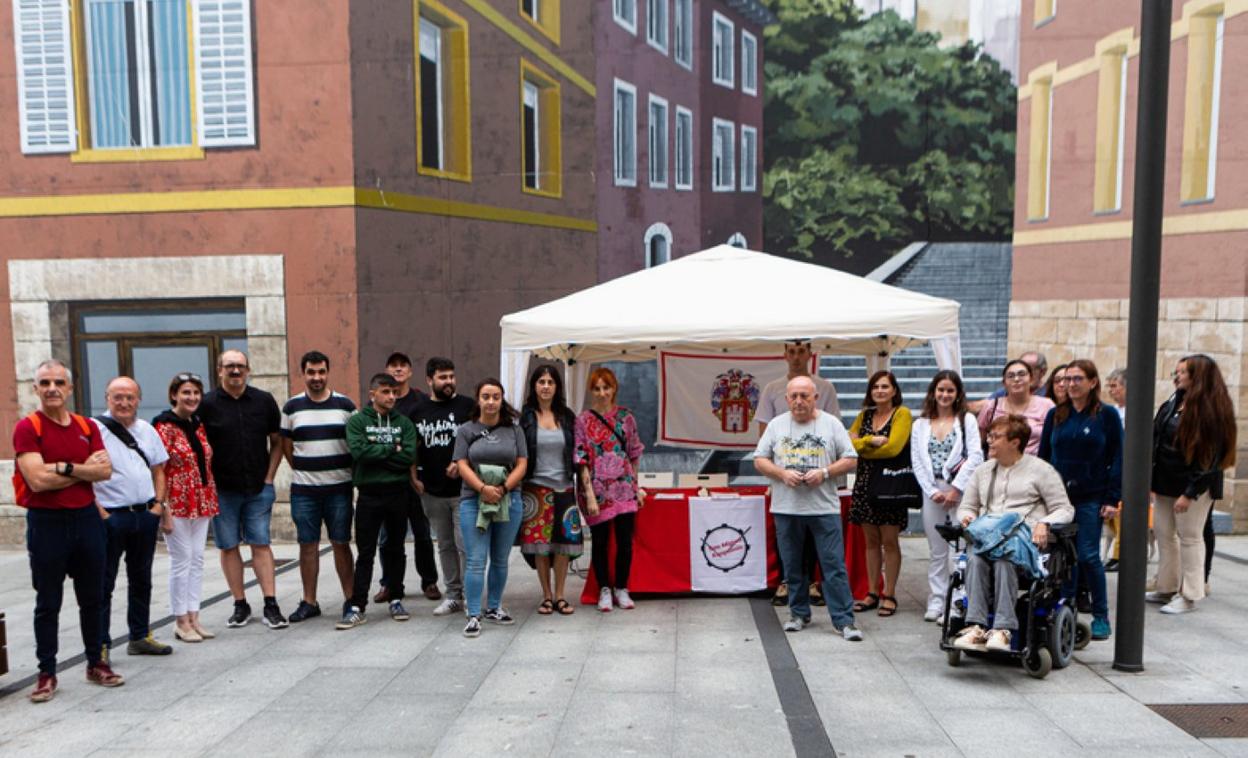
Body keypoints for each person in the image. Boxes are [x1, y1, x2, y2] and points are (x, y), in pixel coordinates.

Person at [16, 360, 121, 702]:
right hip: (47, 523)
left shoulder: (86, 426)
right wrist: (82, 470)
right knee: (48, 601)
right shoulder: (28, 427)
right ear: (35, 389)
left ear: (70, 388)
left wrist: (62, 467)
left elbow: (105, 472)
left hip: (86, 520)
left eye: (58, 382)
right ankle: (47, 673)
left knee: (93, 598)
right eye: (44, 382)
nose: (52, 388)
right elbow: (36, 479)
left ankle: (96, 663)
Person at [753, 376, 863, 641]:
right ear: (786, 399)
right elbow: (759, 459)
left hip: (823, 507)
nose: (799, 401)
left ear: (815, 397)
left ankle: (844, 620)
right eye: (794, 396)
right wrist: (781, 474)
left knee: (833, 565)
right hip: (786, 507)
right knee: (792, 566)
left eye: (805, 396)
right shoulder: (777, 425)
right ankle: (798, 613)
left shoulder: (831, 423)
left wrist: (824, 472)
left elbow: (850, 458)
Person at [951, 415, 1074, 652]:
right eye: (989, 436)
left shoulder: (1041, 470)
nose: (989, 441)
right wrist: (967, 518)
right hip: (987, 542)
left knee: (1005, 560)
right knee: (975, 558)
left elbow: (1065, 509)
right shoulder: (983, 471)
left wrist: (1045, 523)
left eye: (995, 437)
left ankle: (1003, 630)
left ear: (1015, 442)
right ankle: (975, 626)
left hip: (1022, 545)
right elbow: (967, 506)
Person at [198, 349, 287, 629]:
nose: (236, 371)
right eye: (230, 366)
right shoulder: (206, 404)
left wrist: (270, 478)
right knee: (228, 546)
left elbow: (278, 442)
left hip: (258, 488)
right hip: (223, 490)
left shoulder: (263, 401)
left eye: (240, 366)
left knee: (261, 543)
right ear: (219, 370)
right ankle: (240, 604)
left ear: (248, 370)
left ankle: (270, 604)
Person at [1038, 359, 1122, 641]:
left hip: (1090, 497)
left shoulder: (1106, 415)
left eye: (1077, 379)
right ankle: (1067, 610)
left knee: (1087, 555)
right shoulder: (1056, 415)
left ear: (1092, 382)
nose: (1070, 384)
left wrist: (1112, 497)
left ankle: (1100, 615)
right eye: (1066, 379)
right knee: (1062, 557)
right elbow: (1044, 458)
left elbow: (1118, 457)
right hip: (1059, 498)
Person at [1147, 354, 1236, 615]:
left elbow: (1209, 459)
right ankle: (1167, 585)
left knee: (1190, 538)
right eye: (1176, 372)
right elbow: (1156, 438)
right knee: (1164, 534)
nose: (1177, 376)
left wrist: (1189, 493)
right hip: (1165, 482)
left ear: (1198, 376)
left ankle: (1190, 594)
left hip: (1193, 486)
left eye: (1183, 372)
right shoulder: (1174, 402)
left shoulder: (1210, 409)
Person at [93, 377, 172, 658]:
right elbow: (84, 477)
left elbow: (159, 470)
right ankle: (100, 644)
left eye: (130, 397)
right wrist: (101, 514)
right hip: (111, 517)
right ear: (107, 398)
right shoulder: (95, 430)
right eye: (118, 397)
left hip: (144, 515)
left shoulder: (147, 430)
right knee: (104, 582)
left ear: (138, 399)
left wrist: (158, 506)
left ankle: (139, 636)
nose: (124, 403)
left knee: (142, 579)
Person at [756, 339, 839, 607]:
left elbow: (835, 431)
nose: (796, 356)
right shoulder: (772, 389)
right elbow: (763, 439)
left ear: (810, 354)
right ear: (784, 355)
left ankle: (814, 582)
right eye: (791, 351)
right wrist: (775, 474)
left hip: (817, 473)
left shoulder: (824, 388)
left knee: (817, 530)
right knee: (787, 533)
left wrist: (825, 471)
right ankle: (786, 582)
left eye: (801, 351)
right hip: (783, 474)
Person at [281, 351, 357, 623]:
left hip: (339, 487)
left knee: (341, 543)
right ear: (304, 373)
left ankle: (351, 600)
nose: (316, 377)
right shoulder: (291, 408)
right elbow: (287, 447)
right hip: (305, 490)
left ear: (328, 372)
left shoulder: (346, 406)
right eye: (311, 372)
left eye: (321, 371)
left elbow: (355, 444)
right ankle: (309, 601)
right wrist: (307, 468)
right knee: (307, 546)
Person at [340, 373, 419, 628]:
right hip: (369, 495)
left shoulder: (404, 423)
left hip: (397, 492)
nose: (391, 397)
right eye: (386, 392)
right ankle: (357, 605)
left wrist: (379, 449)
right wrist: (391, 449)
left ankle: (396, 597)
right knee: (365, 552)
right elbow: (360, 452)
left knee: (396, 548)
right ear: (372, 394)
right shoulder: (358, 421)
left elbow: (407, 457)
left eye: (394, 392)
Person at [454, 378, 528, 637]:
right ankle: (473, 614)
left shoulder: (514, 429)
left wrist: (504, 488)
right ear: (478, 399)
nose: (491, 402)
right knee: (476, 560)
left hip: (509, 499)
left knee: (500, 558)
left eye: (496, 397)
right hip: (473, 500)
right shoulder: (466, 430)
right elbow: (461, 464)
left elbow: (522, 463)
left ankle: (494, 607)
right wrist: (483, 489)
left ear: (502, 399)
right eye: (486, 396)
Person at [910, 371, 983, 622]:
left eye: (950, 390)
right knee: (937, 550)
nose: (945, 395)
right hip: (932, 491)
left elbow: (976, 456)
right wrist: (932, 491)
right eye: (941, 389)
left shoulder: (966, 420)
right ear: (933, 392)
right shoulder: (920, 425)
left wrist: (956, 489)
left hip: (959, 492)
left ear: (957, 394)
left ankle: (957, 602)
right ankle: (937, 599)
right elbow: (917, 461)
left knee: (959, 549)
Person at [154, 373, 219, 643]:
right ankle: (180, 620)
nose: (191, 398)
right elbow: (158, 467)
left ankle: (194, 616)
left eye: (195, 393)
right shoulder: (163, 426)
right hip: (177, 500)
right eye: (185, 393)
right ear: (173, 395)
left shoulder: (197, 423)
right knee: (181, 561)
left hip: (201, 497)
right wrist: (163, 506)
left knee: (198, 559)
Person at [409, 356, 476, 616]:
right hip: (432, 492)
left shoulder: (468, 407)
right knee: (445, 545)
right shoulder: (418, 411)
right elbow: (412, 448)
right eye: (442, 377)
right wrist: (413, 477)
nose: (448, 382)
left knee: (465, 544)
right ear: (429, 380)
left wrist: (464, 463)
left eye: (451, 376)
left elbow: (480, 441)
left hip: (464, 491)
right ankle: (453, 595)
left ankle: (471, 595)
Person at [575, 367, 646, 613]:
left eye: (607, 387)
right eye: (597, 388)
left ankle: (621, 587)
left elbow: (634, 452)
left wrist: (636, 486)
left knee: (626, 541)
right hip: (596, 490)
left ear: (614, 388)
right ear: (591, 391)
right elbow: (580, 459)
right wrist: (590, 495)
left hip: (624, 487)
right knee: (600, 541)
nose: (602, 393)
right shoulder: (583, 420)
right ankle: (604, 588)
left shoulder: (626, 417)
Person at [375, 351, 440, 605]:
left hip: (417, 478)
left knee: (422, 532)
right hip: (387, 479)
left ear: (410, 372)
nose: (398, 370)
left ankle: (429, 580)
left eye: (403, 366)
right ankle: (389, 584)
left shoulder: (421, 401)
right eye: (393, 366)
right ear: (386, 370)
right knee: (387, 537)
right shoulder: (379, 403)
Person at [848, 370, 914, 618]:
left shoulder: (902, 414)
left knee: (890, 542)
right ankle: (872, 592)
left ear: (894, 390)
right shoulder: (864, 415)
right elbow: (847, 443)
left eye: (885, 386)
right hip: (865, 484)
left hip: (890, 486)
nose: (880, 391)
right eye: (876, 387)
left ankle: (890, 593)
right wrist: (870, 442)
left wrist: (862, 444)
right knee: (871, 542)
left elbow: (893, 448)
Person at [519, 365, 583, 616]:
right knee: (540, 546)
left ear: (557, 387)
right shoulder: (525, 417)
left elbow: (578, 451)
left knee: (563, 544)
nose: (545, 386)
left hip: (565, 487)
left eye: (550, 382)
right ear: (534, 386)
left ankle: (560, 595)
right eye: (541, 381)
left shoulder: (567, 416)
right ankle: (546, 596)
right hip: (535, 488)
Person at [977, 359, 1055, 456]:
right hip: (998, 464)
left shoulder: (1046, 405)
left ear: (1031, 379)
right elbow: (979, 442)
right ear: (1004, 383)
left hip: (1034, 466)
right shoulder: (991, 406)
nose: (1016, 379)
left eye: (1022, 374)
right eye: (1010, 376)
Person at [1103, 367, 1128, 572]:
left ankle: (1121, 555)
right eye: (1109, 386)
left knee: (1122, 518)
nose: (1111, 391)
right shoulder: (1112, 412)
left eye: (1115, 386)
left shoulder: (1135, 413)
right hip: (1112, 469)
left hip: (1126, 470)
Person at [969, 351, 1048, 413]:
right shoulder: (1008, 390)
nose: (1017, 378)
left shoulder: (1048, 395)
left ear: (1043, 372)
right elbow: (981, 406)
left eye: (1023, 373)